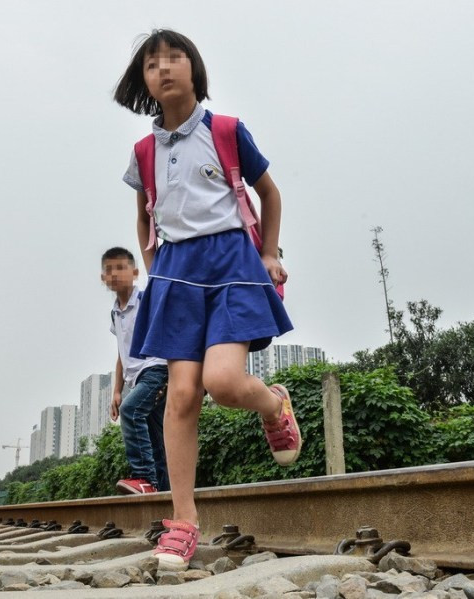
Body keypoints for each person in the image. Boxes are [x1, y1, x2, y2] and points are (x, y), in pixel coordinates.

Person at [114, 29, 299, 569]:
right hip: (176, 273)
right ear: (144, 82)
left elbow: (269, 193)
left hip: (231, 264)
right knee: (181, 395)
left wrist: (268, 253)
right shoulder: (144, 152)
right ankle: (184, 521)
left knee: (223, 382)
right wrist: (155, 268)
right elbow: (145, 215)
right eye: (152, 64)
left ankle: (274, 403)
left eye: (175, 58)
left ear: (194, 69)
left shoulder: (226, 130)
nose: (164, 68)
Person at [102, 247, 170, 494]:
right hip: (138, 378)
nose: (115, 274)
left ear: (135, 272)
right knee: (157, 439)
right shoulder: (115, 314)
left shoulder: (145, 300)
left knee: (131, 411)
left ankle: (144, 478)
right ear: (103, 278)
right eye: (109, 270)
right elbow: (122, 353)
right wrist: (117, 391)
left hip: (157, 368)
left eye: (121, 268)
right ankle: (166, 494)